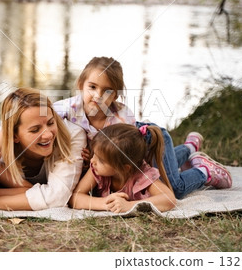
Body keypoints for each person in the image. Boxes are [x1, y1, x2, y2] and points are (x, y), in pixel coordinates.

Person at [54, 56, 232, 200]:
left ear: (115, 95)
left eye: (107, 91)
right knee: (164, 167)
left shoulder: (122, 118)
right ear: (80, 84)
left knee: (174, 188)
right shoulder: (66, 109)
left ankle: (204, 172)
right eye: (92, 87)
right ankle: (188, 149)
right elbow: (45, 122)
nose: (98, 95)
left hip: (146, 143)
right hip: (110, 160)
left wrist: (93, 155)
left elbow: (130, 156)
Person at [0, 87, 86, 211]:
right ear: (13, 135)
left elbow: (56, 196)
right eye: (35, 130)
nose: (48, 134)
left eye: (51, 123)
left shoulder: (72, 136)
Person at [69, 123, 176, 213]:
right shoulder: (96, 169)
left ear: (125, 168)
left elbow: (169, 199)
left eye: (101, 160)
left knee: (178, 185)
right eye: (94, 154)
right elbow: (75, 197)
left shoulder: (142, 175)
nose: (92, 161)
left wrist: (129, 206)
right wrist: (105, 204)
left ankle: (189, 148)